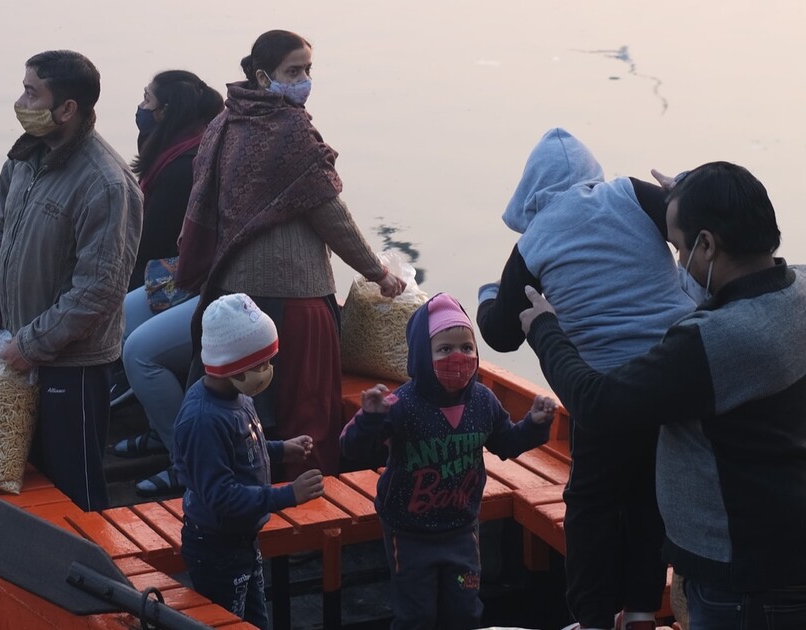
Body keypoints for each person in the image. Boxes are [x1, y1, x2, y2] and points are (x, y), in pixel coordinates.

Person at [520, 161, 806, 630]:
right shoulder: (797, 292)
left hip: (743, 580)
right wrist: (696, 197)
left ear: (708, 244)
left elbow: (598, 403)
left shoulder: (710, 342)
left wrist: (547, 331)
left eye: (678, 246)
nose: (678, 262)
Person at [476, 128, 695, 630]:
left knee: (592, 505)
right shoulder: (634, 194)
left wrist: (490, 293)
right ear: (592, 174)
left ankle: (593, 620)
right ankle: (641, 613)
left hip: (603, 393)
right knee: (648, 497)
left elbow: (504, 335)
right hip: (672, 377)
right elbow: (693, 223)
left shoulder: (532, 245)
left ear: (530, 194)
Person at [176, 29, 406, 481]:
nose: (303, 80)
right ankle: (309, 522)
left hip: (232, 297)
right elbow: (330, 214)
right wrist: (378, 272)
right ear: (264, 76)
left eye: (307, 70)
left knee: (243, 414)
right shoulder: (289, 129)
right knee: (308, 416)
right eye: (293, 71)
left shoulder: (226, 122)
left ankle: (242, 500)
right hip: (295, 300)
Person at [0, 50, 142, 512]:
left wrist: (31, 345)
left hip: (73, 363)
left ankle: (95, 574)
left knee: (75, 488)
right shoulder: (24, 158)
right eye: (23, 88)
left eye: (32, 92)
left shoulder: (106, 183)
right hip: (17, 347)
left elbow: (99, 288)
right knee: (29, 477)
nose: (21, 101)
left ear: (67, 109)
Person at [340, 293, 554, 629]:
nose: (458, 357)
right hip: (408, 534)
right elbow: (352, 448)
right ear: (424, 356)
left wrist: (535, 424)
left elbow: (506, 442)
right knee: (417, 615)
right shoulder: (401, 404)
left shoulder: (483, 400)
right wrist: (368, 418)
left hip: (461, 532)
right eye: (444, 349)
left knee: (465, 610)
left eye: (466, 348)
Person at [173, 293, 324, 629]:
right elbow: (221, 495)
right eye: (260, 364)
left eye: (269, 362)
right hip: (215, 548)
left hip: (241, 539)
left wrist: (281, 449)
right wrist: (287, 495)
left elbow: (243, 450)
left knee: (256, 620)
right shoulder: (204, 420)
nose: (267, 372)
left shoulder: (237, 396)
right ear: (228, 364)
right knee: (227, 621)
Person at [108, 70, 224, 497]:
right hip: (187, 273)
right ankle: (161, 427)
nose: (141, 108)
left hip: (214, 282)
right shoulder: (174, 150)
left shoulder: (184, 165)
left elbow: (149, 245)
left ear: (167, 111)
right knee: (124, 316)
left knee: (140, 351)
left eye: (147, 101)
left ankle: (185, 459)